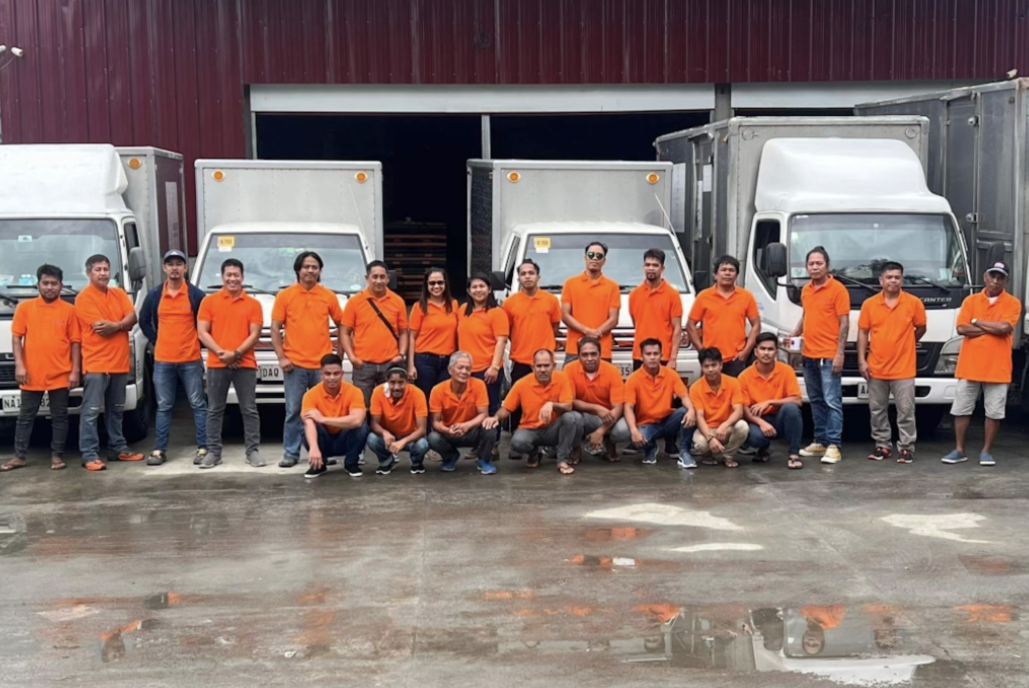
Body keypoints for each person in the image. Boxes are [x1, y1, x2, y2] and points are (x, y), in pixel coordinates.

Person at [942, 261, 1022, 466]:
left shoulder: (1013, 303)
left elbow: (1005, 327)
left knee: (994, 411)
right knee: (961, 409)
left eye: (1000, 277)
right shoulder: (971, 301)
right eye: (992, 276)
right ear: (985, 277)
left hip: (998, 368)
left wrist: (976, 322)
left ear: (1006, 281)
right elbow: (961, 329)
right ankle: (959, 449)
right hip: (969, 366)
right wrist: (990, 328)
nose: (995, 281)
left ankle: (986, 451)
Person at [2, 264, 80, 472]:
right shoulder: (25, 308)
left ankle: (57, 455)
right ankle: (19, 456)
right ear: (38, 284)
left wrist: (75, 371)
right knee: (25, 417)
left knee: (60, 417)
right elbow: (17, 338)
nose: (49, 287)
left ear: (61, 286)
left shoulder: (69, 310)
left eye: (54, 283)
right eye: (45, 283)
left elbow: (75, 342)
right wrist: (19, 365)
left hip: (61, 373)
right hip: (31, 373)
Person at [271, 251, 345, 468]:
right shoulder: (285, 296)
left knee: (323, 412)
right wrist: (282, 357)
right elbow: (275, 329)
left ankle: (322, 452)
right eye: (306, 266)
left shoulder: (328, 296)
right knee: (294, 410)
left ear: (320, 271)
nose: (310, 270)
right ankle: (291, 453)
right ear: (298, 270)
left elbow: (343, 326)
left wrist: (338, 356)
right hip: (294, 364)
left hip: (322, 367)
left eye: (314, 267)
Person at [139, 249, 208, 467]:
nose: (175, 268)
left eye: (179, 263)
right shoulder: (155, 294)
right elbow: (143, 320)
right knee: (164, 406)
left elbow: (206, 323)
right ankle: (159, 450)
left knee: (198, 404)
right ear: (164, 268)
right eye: (170, 264)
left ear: (186, 268)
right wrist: (155, 339)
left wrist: (198, 343)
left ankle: (204, 447)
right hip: (163, 360)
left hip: (191, 359)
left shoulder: (196, 295)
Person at [75, 254, 143, 471]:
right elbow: (100, 328)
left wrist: (117, 325)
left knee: (116, 410)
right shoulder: (84, 298)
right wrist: (121, 325)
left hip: (119, 364)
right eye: (98, 269)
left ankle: (118, 448)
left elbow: (133, 318)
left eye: (106, 269)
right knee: (91, 411)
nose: (103, 273)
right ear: (88, 273)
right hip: (96, 365)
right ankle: (89, 454)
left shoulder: (119, 293)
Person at [197, 258, 265, 469]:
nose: (233, 279)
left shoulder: (253, 304)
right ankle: (213, 451)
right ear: (222, 276)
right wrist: (221, 353)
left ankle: (252, 450)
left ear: (242, 277)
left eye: (236, 275)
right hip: (217, 364)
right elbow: (202, 331)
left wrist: (235, 354)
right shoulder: (209, 302)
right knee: (215, 409)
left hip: (245, 364)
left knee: (249, 409)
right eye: (229, 275)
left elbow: (254, 335)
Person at [857, 261, 927, 464]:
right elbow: (863, 332)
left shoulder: (913, 303)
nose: (893, 280)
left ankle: (906, 448)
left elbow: (921, 327)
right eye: (889, 277)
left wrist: (908, 343)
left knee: (905, 410)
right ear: (881, 280)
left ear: (902, 280)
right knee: (877, 410)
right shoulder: (870, 304)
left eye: (897, 277)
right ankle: (882, 446)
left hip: (904, 368)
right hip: (876, 367)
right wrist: (862, 360)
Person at [789, 246, 849, 464]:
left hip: (829, 355)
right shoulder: (806, 289)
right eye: (811, 264)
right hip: (809, 354)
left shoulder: (838, 289)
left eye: (819, 263)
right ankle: (820, 441)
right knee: (815, 400)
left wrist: (840, 353)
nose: (814, 267)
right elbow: (806, 316)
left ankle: (834, 445)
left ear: (827, 265)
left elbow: (844, 323)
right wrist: (795, 336)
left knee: (832, 401)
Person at [485, 349, 580, 474]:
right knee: (517, 442)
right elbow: (507, 408)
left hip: (553, 430)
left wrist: (552, 404)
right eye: (539, 366)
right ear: (532, 367)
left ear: (554, 366)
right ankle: (534, 453)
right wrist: (495, 417)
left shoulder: (561, 378)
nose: (542, 370)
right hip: (530, 430)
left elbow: (568, 406)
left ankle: (562, 460)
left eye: (546, 365)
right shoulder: (522, 383)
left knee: (572, 418)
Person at [502, 259, 562, 432]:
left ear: (538, 277)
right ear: (519, 278)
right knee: (517, 400)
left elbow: (555, 326)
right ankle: (516, 436)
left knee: (548, 399)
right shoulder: (510, 303)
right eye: (523, 274)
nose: (527, 276)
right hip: (521, 359)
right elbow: (508, 331)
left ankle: (548, 437)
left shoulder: (550, 300)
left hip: (545, 361)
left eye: (531, 273)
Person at [341, 260, 408, 405]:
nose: (379, 281)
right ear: (367, 278)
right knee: (361, 406)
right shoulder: (355, 302)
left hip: (390, 364)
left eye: (382, 277)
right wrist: (352, 358)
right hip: (363, 365)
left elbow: (403, 332)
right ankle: (363, 429)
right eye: (375, 277)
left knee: (389, 406)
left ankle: (382, 429)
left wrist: (401, 355)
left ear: (388, 278)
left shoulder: (397, 301)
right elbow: (345, 332)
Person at [457, 272, 509, 457]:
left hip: (488, 370)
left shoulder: (496, 312)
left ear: (489, 290)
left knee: (491, 408)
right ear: (468, 291)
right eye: (474, 287)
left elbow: (501, 340)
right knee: (473, 409)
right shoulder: (462, 310)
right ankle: (479, 445)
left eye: (482, 286)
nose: (478, 290)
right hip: (466, 371)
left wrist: (494, 366)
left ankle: (493, 446)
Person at [623, 338, 696, 467]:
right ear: (641, 357)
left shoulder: (671, 374)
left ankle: (684, 452)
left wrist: (691, 410)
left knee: (686, 412)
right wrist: (634, 430)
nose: (652, 357)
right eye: (648, 354)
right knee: (639, 436)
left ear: (661, 356)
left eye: (656, 354)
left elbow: (684, 396)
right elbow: (628, 407)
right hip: (646, 424)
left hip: (668, 421)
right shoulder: (633, 379)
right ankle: (650, 449)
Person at [686, 255, 760, 378]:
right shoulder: (704, 296)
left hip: (736, 359)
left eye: (731, 270)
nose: (727, 273)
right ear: (715, 275)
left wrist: (746, 352)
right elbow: (690, 325)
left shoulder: (746, 297)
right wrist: (702, 351)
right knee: (710, 394)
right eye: (723, 270)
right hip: (711, 358)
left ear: (736, 275)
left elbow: (756, 325)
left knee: (735, 395)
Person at [739, 332, 804, 469]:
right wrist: (761, 422)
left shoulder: (786, 370)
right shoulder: (744, 376)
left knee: (791, 409)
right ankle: (763, 448)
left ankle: (794, 454)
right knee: (755, 437)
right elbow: (744, 410)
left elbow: (797, 400)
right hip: (757, 419)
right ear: (756, 351)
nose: (766, 353)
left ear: (776, 352)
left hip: (779, 418)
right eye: (762, 349)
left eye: (770, 349)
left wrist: (770, 401)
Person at [301, 353, 370, 479]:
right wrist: (313, 448)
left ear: (342, 373)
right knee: (304, 425)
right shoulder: (310, 395)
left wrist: (323, 419)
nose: (332, 378)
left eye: (336, 373)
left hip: (345, 438)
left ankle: (351, 463)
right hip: (324, 439)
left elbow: (358, 420)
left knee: (362, 427)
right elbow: (308, 423)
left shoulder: (354, 392)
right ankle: (319, 464)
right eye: (327, 374)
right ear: (321, 374)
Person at [428, 351, 496, 474]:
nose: (464, 372)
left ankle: (484, 460)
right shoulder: (437, 390)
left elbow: (483, 414)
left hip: (472, 430)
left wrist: (466, 426)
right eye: (460, 368)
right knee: (433, 437)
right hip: (450, 431)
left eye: (468, 368)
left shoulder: (478, 385)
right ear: (450, 369)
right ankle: (450, 457)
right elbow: (435, 422)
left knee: (489, 426)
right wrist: (448, 430)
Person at [563, 337, 630, 463]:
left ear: (600, 354)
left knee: (624, 429)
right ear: (578, 356)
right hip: (584, 416)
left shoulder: (612, 371)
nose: (589, 358)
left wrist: (601, 431)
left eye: (593, 354)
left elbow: (618, 407)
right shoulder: (569, 369)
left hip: (608, 418)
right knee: (570, 418)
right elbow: (569, 401)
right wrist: (596, 408)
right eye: (585, 355)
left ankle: (610, 443)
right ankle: (575, 448)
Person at [561, 242, 620, 363]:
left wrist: (596, 333)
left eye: (599, 256)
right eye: (591, 255)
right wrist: (587, 331)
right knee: (570, 382)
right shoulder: (570, 283)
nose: (594, 258)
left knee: (602, 382)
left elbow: (613, 319)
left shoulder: (612, 286)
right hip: (575, 348)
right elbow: (565, 315)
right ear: (585, 258)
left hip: (602, 350)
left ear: (604, 261)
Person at [690, 348, 749, 468]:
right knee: (701, 444)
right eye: (706, 366)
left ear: (721, 365)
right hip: (706, 428)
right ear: (701, 367)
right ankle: (707, 455)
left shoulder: (733, 383)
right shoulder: (695, 388)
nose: (710, 369)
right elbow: (699, 417)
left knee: (742, 426)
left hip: (726, 428)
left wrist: (725, 425)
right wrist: (710, 438)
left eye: (714, 365)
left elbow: (739, 411)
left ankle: (728, 455)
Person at [367, 367, 430, 475]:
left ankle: (416, 463)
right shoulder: (378, 391)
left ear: (407, 382)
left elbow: (422, 430)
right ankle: (386, 462)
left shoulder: (417, 393)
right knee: (372, 439)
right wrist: (385, 433)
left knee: (423, 444)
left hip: (410, 437)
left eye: (401, 383)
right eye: (392, 382)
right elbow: (374, 423)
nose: (396, 387)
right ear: (386, 381)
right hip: (389, 439)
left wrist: (403, 441)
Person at [408, 267, 459, 399]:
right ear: (426, 285)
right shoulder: (419, 307)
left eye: (440, 282)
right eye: (432, 283)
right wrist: (410, 365)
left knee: (444, 399)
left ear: (445, 284)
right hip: (425, 361)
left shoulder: (454, 305)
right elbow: (412, 337)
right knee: (425, 399)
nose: (436, 286)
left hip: (448, 361)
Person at [629, 248, 683, 370]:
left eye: (655, 265)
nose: (651, 268)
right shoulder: (634, 294)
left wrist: (673, 358)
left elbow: (677, 329)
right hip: (640, 355)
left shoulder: (672, 295)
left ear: (662, 269)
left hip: (663, 356)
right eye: (647, 265)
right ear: (643, 267)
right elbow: (636, 323)